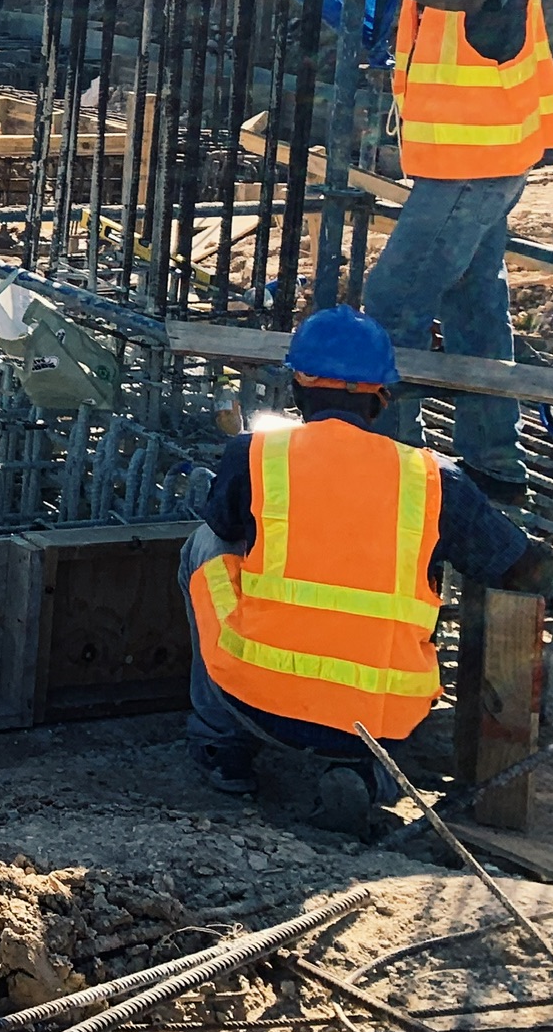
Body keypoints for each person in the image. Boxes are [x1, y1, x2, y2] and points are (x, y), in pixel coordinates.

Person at [183, 307, 553, 828]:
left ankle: (223, 747)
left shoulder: (255, 454)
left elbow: (223, 523)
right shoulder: (433, 479)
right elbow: (522, 570)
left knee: (205, 547)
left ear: (298, 387)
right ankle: (363, 773)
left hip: (259, 699)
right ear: (381, 396)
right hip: (383, 717)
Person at [345, 0, 553, 501]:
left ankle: (393, 469)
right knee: (473, 303)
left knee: (392, 301)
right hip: (468, 159)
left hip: (475, 164)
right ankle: (494, 467)